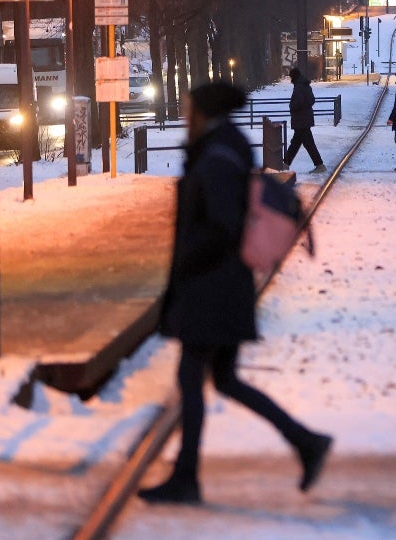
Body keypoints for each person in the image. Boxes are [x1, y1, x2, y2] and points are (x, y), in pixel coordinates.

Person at [139, 82, 333, 505]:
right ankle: (305, 442)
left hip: (212, 287)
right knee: (221, 379)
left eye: (190, 107)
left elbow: (223, 225)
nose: (186, 113)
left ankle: (187, 477)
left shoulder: (216, 156)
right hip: (220, 285)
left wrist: (188, 263)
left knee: (193, 379)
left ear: (203, 113)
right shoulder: (222, 147)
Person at [284, 67, 326, 174]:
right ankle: (285, 164)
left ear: (293, 76)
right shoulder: (305, 85)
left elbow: (298, 102)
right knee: (297, 143)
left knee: (307, 144)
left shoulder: (298, 87)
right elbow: (311, 100)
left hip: (301, 120)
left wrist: (292, 106)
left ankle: (319, 164)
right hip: (305, 118)